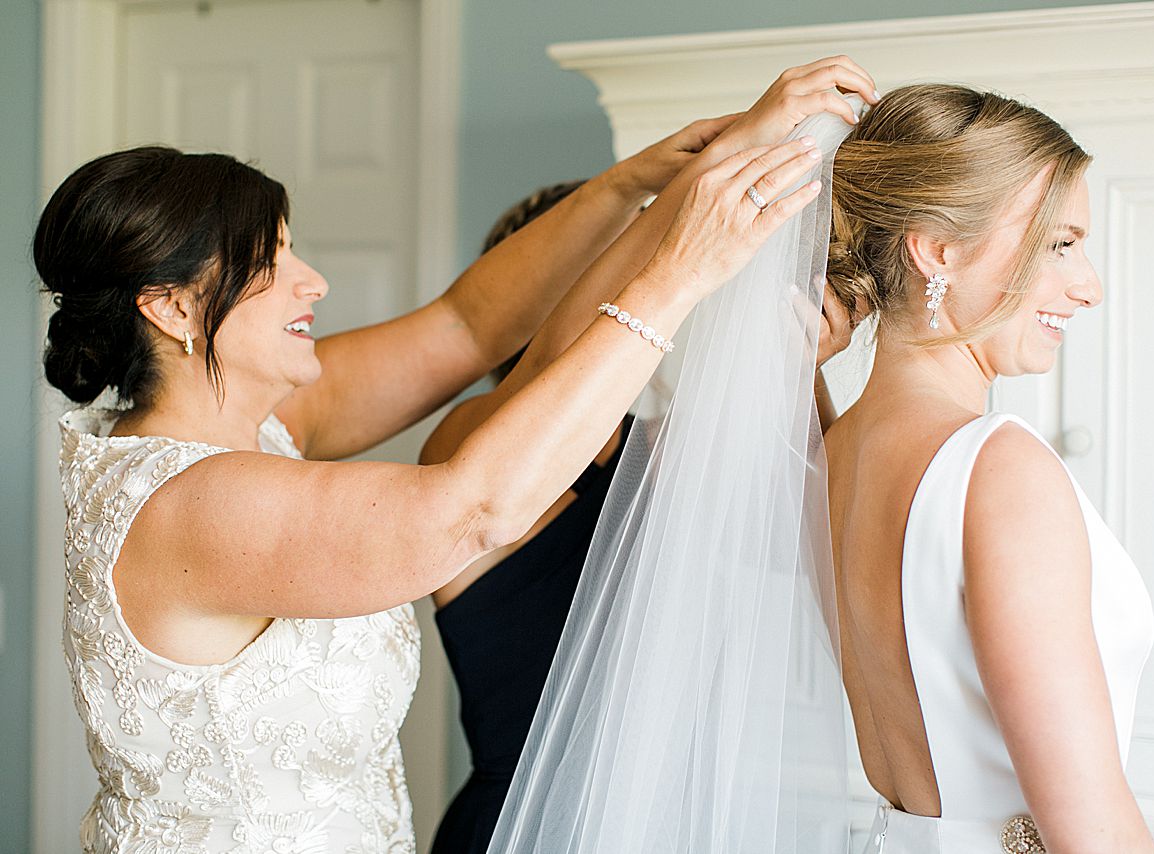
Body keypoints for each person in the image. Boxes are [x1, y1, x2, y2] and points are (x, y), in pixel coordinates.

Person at [39, 55, 873, 853]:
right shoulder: (200, 506)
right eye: (271, 262)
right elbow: (477, 506)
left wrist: (655, 182)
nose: (313, 282)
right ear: (172, 307)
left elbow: (471, 326)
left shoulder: (266, 426)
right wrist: (679, 275)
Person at [424, 178, 856, 854]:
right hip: (523, 830)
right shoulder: (468, 439)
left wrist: (802, 370)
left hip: (666, 827)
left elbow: (830, 537)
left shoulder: (659, 452)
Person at [822, 84, 1154, 852]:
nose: (1089, 286)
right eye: (1058, 244)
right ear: (938, 248)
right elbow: (1089, 826)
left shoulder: (831, 458)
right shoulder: (997, 469)